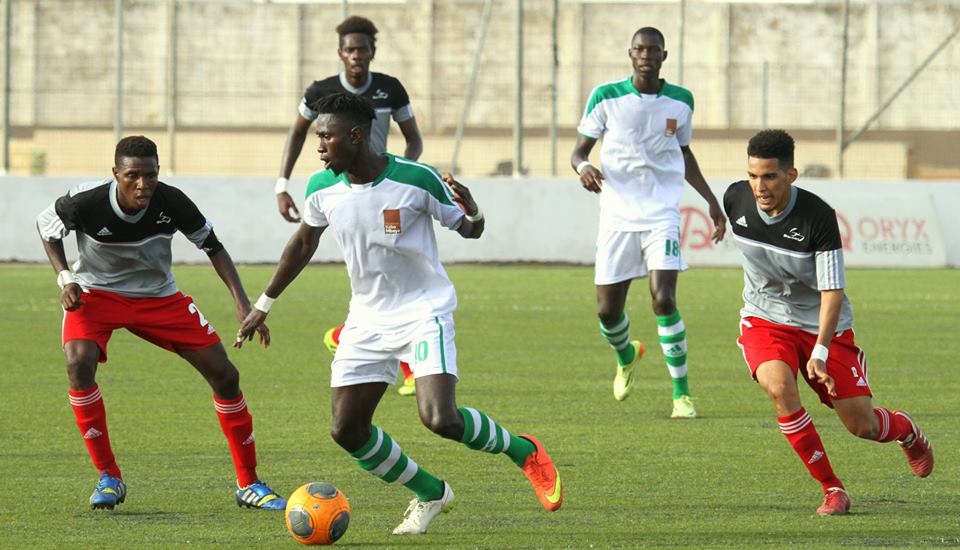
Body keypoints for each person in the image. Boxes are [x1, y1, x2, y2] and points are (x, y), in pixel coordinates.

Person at [236, 93, 562, 535]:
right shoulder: (320, 188)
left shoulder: (415, 178)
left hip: (424, 311)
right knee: (346, 430)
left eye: (326, 137)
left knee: (440, 419)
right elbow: (303, 244)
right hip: (366, 319)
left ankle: (524, 450)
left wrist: (475, 209)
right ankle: (431, 492)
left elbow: (470, 229)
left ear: (355, 136)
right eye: (317, 138)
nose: (319, 147)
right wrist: (263, 304)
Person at [37, 136, 286, 511]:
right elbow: (47, 227)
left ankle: (248, 483)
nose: (143, 185)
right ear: (115, 174)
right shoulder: (85, 201)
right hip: (96, 295)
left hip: (158, 297)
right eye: (133, 176)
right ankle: (109, 476)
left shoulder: (172, 201)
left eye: (150, 175)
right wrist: (65, 279)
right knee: (78, 363)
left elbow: (213, 246)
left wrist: (242, 303)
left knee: (225, 376)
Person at [725, 129, 934, 515]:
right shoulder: (735, 198)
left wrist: (820, 350)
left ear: (792, 175)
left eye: (769, 176)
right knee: (779, 388)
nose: (759, 186)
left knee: (862, 426)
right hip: (764, 318)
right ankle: (832, 489)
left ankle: (906, 430)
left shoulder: (818, 218)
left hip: (822, 325)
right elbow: (727, 205)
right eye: (753, 175)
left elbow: (832, 292)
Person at [570, 26, 726, 417]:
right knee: (607, 311)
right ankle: (626, 355)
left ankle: (682, 395)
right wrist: (585, 167)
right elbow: (578, 152)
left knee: (664, 297)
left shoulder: (682, 101)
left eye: (652, 49)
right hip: (617, 214)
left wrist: (711, 201)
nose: (645, 55)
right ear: (630, 53)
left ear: (663, 56)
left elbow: (684, 154)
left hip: (661, 214)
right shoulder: (606, 96)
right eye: (639, 49)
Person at [274, 15, 422, 395]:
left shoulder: (391, 89)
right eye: (350, 49)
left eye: (363, 48)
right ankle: (405, 363)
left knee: (391, 264)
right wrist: (282, 185)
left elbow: (413, 140)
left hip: (384, 187)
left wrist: (405, 178)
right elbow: (296, 132)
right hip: (343, 191)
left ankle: (346, 335)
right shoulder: (321, 92)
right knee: (381, 267)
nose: (357, 55)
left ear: (373, 51)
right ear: (340, 53)